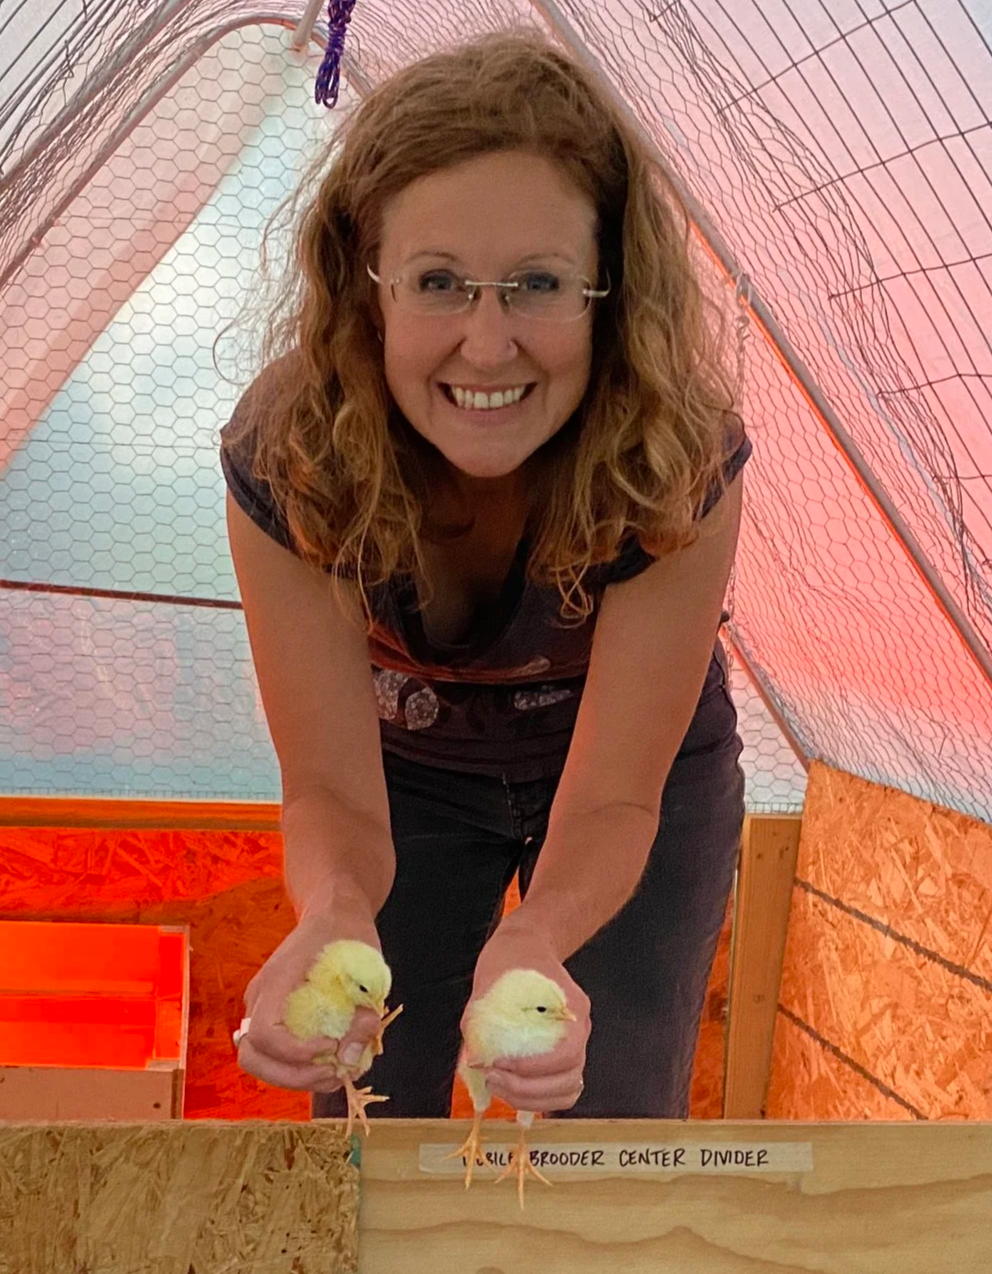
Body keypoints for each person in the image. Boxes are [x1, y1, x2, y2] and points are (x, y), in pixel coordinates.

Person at [225, 30, 749, 1122]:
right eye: (438, 283)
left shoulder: (676, 455)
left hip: (626, 784)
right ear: (365, 289)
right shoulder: (294, 456)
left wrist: (538, 933)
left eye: (538, 285)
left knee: (601, 1119)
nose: (487, 341)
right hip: (405, 776)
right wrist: (328, 907)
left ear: (608, 291)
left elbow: (614, 794)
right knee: (369, 1114)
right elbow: (327, 787)